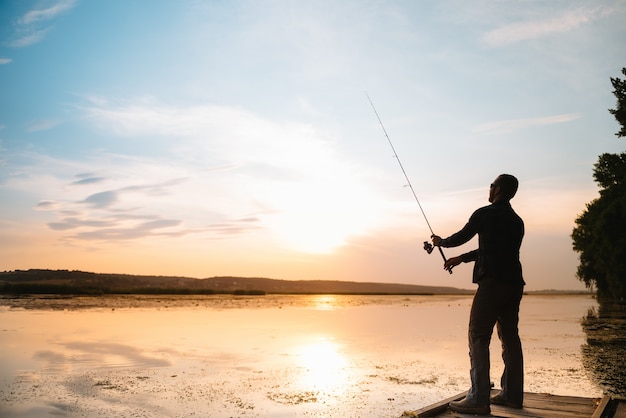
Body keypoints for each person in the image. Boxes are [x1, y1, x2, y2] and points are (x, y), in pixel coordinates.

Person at [431, 174, 525, 415]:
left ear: (499, 189)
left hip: (492, 284)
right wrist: (462, 259)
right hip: (514, 284)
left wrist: (441, 241)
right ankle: (512, 395)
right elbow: (490, 249)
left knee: (478, 335)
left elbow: (461, 237)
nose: (489, 188)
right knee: (510, 338)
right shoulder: (517, 221)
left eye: (492, 185)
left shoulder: (484, 213)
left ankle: (478, 398)